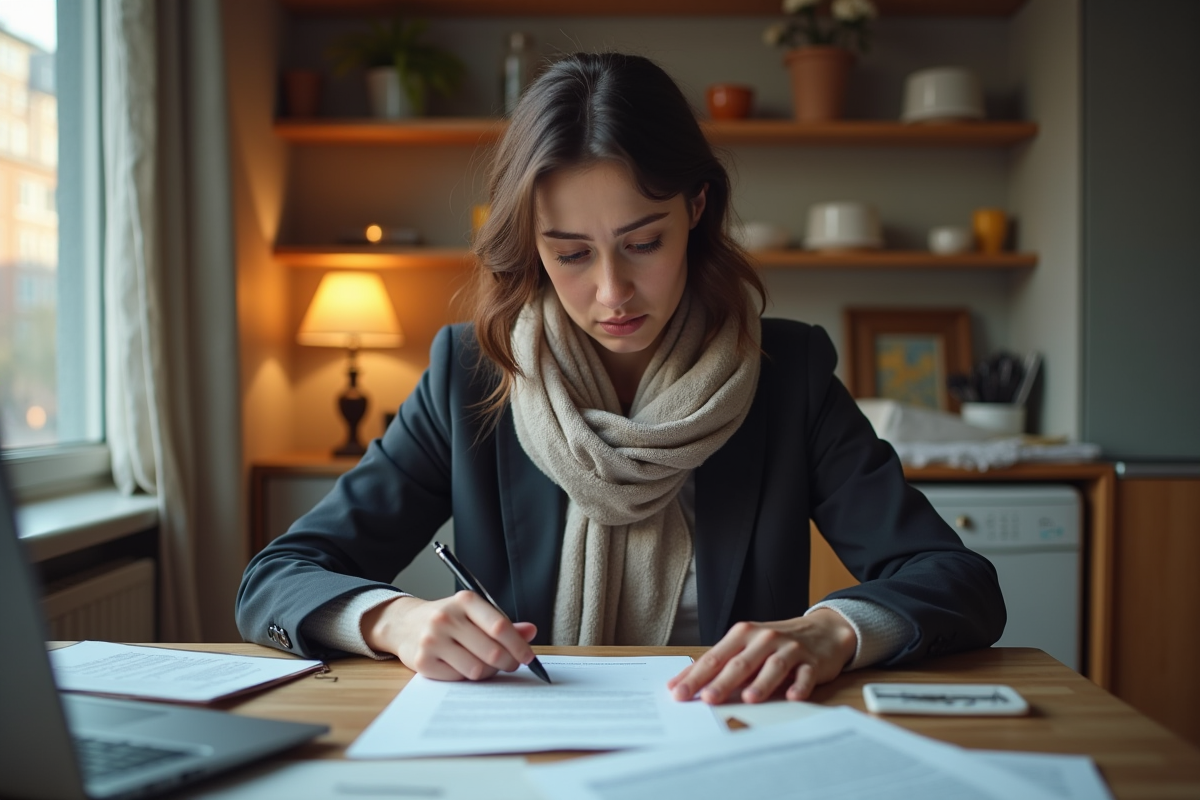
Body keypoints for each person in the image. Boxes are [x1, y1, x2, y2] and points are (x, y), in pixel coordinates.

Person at [236, 52, 1005, 706]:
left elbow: (956, 581)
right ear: (530, 244)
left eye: (643, 242)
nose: (612, 293)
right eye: (571, 253)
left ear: (697, 208)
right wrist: (393, 620)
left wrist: (836, 629)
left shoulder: (788, 375)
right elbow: (277, 578)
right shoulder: (470, 376)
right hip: (528, 756)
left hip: (729, 743)